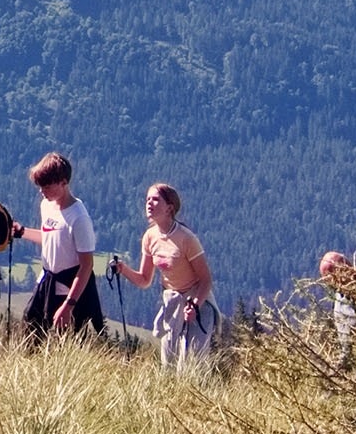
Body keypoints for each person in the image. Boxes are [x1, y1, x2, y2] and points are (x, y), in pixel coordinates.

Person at [110, 182, 215, 370]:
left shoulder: (187, 239)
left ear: (169, 208)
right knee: (169, 365)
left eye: (155, 199)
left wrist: (194, 305)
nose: (149, 203)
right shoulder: (150, 237)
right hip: (172, 304)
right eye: (148, 199)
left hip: (197, 305)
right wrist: (123, 269)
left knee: (192, 365)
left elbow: (206, 280)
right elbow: (144, 280)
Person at [20, 152, 102, 343]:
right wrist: (21, 232)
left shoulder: (79, 218)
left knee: (63, 341)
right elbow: (51, 239)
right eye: (40, 186)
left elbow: (86, 265)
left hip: (67, 286)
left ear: (64, 182)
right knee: (30, 334)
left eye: (47, 186)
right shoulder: (46, 205)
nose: (42, 192)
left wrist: (68, 305)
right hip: (46, 281)